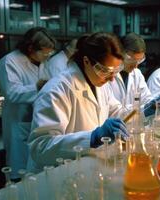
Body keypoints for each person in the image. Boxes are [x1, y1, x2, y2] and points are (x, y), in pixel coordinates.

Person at [27, 32, 129, 173]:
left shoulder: (100, 84)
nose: (112, 79)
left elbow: (117, 112)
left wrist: (144, 110)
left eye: (116, 71)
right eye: (106, 71)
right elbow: (40, 148)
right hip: (55, 175)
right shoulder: (57, 90)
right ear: (86, 61)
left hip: (84, 168)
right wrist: (92, 138)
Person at [0, 27, 56, 180]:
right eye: (45, 52)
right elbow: (12, 93)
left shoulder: (43, 62)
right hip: (19, 123)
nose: (47, 55)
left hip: (38, 122)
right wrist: (37, 87)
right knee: (20, 171)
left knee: (39, 175)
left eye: (50, 53)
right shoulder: (9, 62)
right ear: (30, 48)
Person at [108, 32, 160, 117]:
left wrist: (153, 104)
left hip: (133, 125)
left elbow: (146, 99)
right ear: (120, 53)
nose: (136, 66)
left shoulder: (137, 74)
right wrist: (142, 110)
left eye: (139, 61)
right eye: (131, 60)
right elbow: (114, 110)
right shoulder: (109, 76)